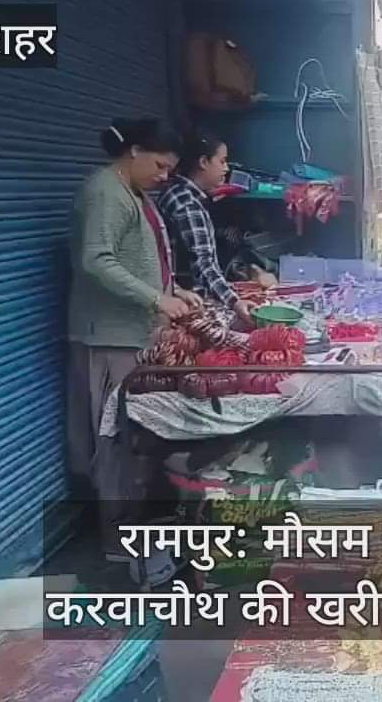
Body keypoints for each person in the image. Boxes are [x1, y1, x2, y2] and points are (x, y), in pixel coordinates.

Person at [67, 118, 200, 484]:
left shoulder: (136, 193)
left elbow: (141, 257)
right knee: (112, 436)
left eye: (170, 171)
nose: (163, 177)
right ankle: (115, 533)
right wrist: (156, 298)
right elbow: (96, 259)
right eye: (159, 166)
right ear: (135, 151)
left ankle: (130, 516)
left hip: (133, 337)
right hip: (109, 338)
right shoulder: (106, 193)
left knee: (132, 434)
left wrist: (173, 290)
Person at [158, 133, 256, 322]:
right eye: (222, 161)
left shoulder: (176, 192)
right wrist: (234, 302)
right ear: (203, 162)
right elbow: (203, 264)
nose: (226, 169)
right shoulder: (187, 204)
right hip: (188, 304)